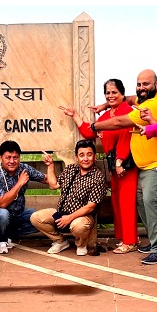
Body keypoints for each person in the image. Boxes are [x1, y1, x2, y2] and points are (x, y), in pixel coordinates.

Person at [92, 70, 157, 264]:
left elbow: (122, 126)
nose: (141, 88)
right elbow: (130, 98)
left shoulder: (155, 103)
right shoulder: (142, 101)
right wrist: (105, 105)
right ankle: (155, 241)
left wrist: (94, 126)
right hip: (143, 163)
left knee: (149, 201)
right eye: (139, 84)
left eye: (146, 84)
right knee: (140, 201)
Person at [59, 78, 138, 254]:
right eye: (107, 93)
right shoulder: (105, 116)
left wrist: (120, 160)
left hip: (125, 165)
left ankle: (131, 241)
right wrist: (74, 115)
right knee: (117, 202)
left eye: (114, 92)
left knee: (127, 203)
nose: (110, 96)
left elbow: (127, 137)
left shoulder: (127, 111)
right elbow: (89, 131)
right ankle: (125, 238)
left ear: (122, 94)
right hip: (114, 166)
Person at [30, 140, 107, 255]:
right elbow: (53, 185)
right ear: (77, 157)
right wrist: (50, 165)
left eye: (89, 155)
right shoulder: (71, 169)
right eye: (82, 155)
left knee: (79, 226)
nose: (85, 158)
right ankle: (60, 241)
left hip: (81, 217)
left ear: (94, 157)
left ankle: (81, 244)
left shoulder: (98, 177)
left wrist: (69, 217)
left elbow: (90, 207)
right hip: (62, 212)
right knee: (36, 218)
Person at [0, 140, 56, 254]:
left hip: (18, 213)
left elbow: (47, 179)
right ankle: (1, 240)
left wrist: (50, 166)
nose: (12, 161)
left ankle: (7, 233)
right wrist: (20, 183)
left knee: (37, 218)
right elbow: (2, 203)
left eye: (15, 157)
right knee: (3, 214)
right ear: (0, 158)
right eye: (8, 157)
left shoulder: (24, 169)